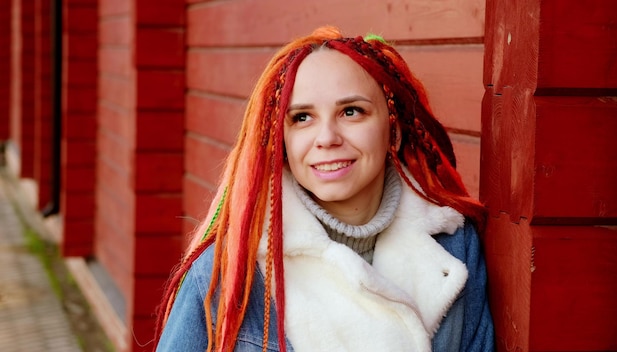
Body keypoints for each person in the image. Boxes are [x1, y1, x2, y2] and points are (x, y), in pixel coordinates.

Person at [154, 26, 494, 352]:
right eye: (302, 117)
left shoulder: (454, 246)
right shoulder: (232, 271)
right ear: (281, 140)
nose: (327, 138)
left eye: (351, 111)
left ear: (394, 131)